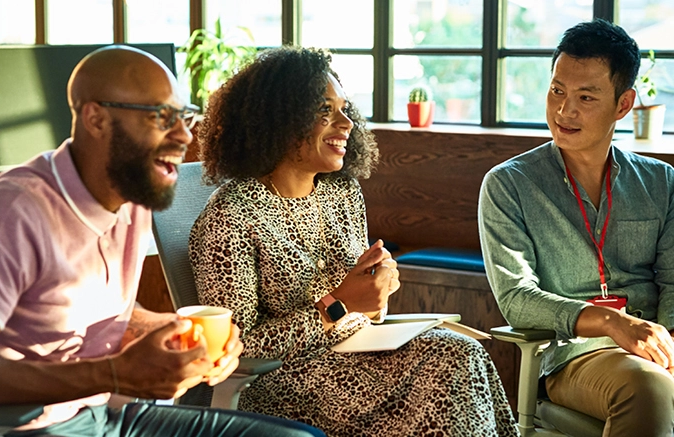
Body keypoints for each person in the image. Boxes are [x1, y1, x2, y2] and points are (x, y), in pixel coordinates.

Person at [0, 45, 323, 437]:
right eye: (162, 117)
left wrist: (176, 330)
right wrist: (114, 374)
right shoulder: (12, 213)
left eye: (185, 117)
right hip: (34, 426)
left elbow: (98, 311)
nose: (183, 136)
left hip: (107, 414)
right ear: (96, 119)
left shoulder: (131, 195)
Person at [191, 46, 517, 436]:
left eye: (344, 108)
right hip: (282, 380)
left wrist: (378, 289)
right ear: (276, 120)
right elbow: (236, 349)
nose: (346, 123)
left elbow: (363, 304)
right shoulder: (231, 215)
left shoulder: (341, 193)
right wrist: (339, 305)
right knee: (449, 362)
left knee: (463, 352)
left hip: (359, 350)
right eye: (324, 111)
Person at [479, 19, 674, 436]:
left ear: (623, 105)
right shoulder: (509, 184)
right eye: (557, 91)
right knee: (647, 388)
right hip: (576, 355)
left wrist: (668, 344)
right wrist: (610, 323)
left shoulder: (661, 183)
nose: (564, 111)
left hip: (659, 347)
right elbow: (516, 298)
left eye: (585, 97)